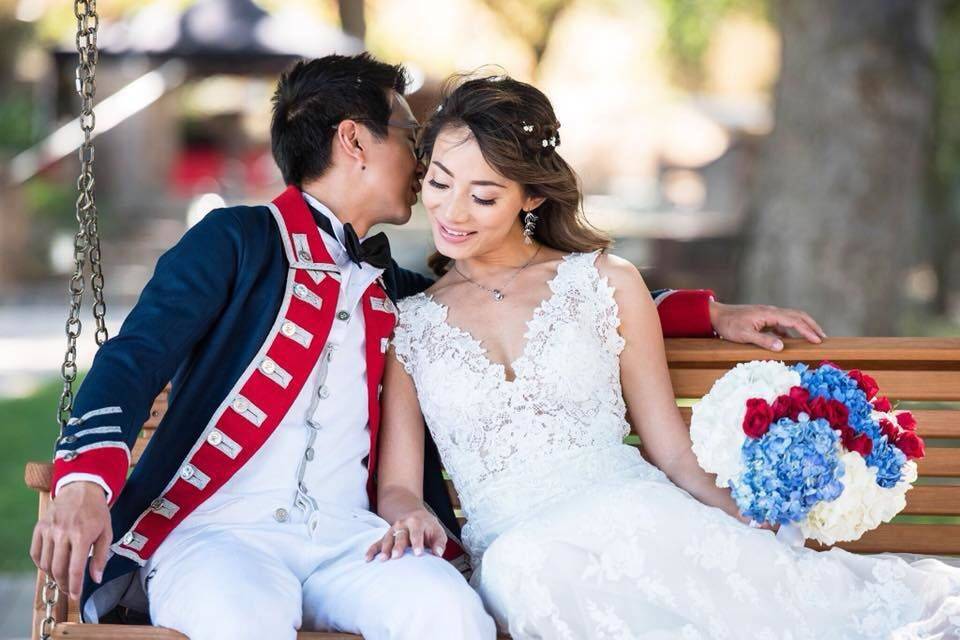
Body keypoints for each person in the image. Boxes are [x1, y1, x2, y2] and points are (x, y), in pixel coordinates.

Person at [32, 53, 824, 639]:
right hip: (219, 533)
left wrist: (704, 313)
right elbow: (132, 358)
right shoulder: (235, 243)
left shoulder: (400, 292)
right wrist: (84, 481)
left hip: (354, 539)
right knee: (239, 621)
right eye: (411, 138)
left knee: (451, 619)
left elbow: (535, 297)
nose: (423, 165)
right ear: (354, 141)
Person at [372, 74, 960, 639]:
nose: (451, 212)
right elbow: (398, 484)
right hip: (518, 553)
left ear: (530, 196)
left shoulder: (604, 282)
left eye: (483, 196)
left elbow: (671, 451)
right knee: (527, 567)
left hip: (636, 516)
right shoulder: (411, 322)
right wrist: (409, 515)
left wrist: (747, 519)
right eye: (439, 183)